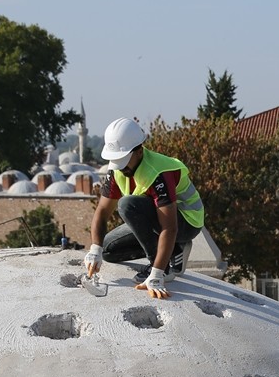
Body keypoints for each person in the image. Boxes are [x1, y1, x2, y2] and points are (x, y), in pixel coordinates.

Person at [83, 117, 205, 299]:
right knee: (108, 250)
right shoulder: (117, 169)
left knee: (127, 205)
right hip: (156, 218)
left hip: (186, 221)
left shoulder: (158, 172)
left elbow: (169, 227)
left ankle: (165, 264)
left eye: (123, 160)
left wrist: (157, 274)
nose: (120, 167)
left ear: (139, 151)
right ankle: (175, 250)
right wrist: (95, 249)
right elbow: (102, 212)